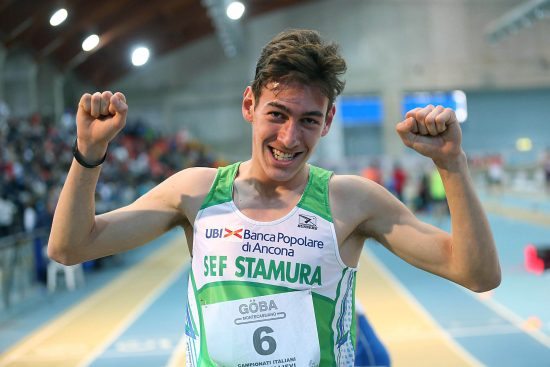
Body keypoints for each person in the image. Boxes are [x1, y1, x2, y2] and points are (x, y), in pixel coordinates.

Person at [48, 29, 501, 366]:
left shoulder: (351, 201)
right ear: (249, 105)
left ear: (327, 122)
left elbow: (477, 274)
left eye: (308, 120)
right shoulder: (196, 192)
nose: (289, 137)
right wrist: (88, 154)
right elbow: (71, 247)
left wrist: (452, 164)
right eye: (277, 114)